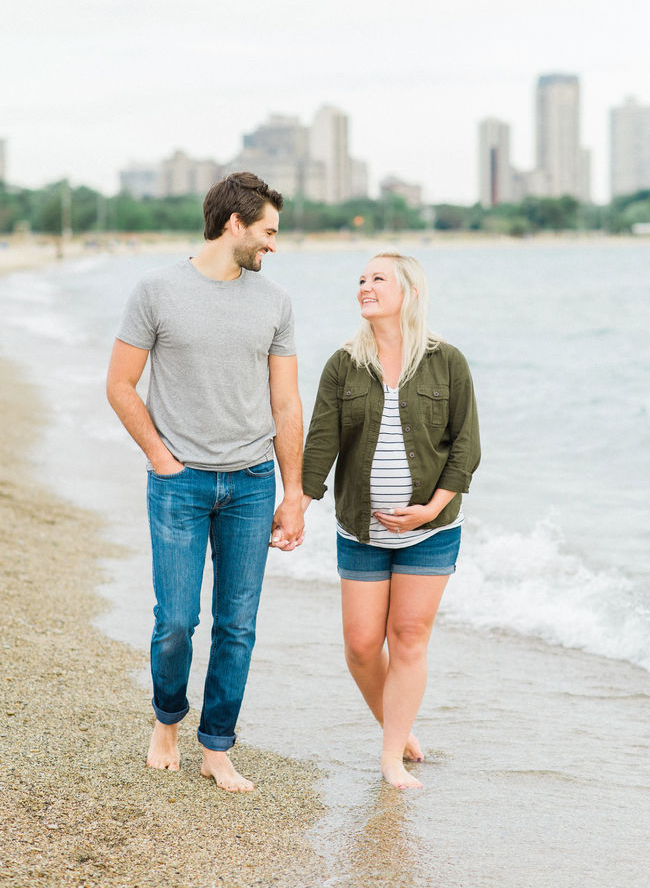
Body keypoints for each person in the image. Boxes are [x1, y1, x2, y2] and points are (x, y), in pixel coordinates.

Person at [106, 172, 304, 793]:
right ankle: (167, 719)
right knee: (176, 620)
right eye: (268, 231)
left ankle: (217, 746)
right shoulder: (157, 290)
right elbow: (119, 384)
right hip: (180, 483)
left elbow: (287, 404)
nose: (273, 244)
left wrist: (293, 494)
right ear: (235, 222)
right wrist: (161, 458)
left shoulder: (273, 301)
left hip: (251, 482)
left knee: (237, 625)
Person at [301, 251, 480, 790]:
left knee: (407, 637)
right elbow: (321, 444)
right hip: (361, 528)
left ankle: (389, 758)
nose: (365, 287)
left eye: (378, 279)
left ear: (410, 292)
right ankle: (397, 730)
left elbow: (466, 446)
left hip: (431, 530)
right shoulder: (343, 364)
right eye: (361, 279)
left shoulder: (447, 361)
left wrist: (429, 508)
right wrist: (295, 508)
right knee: (360, 646)